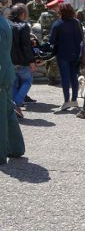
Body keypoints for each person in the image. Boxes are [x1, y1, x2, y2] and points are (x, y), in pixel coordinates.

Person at [0, 9, 25, 165]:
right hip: (5, 73)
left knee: (2, 114)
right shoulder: (3, 22)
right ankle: (16, 148)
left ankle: (1, 154)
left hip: (2, 75)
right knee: (7, 110)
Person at [49, 3, 83, 111]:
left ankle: (66, 101)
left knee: (65, 78)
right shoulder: (77, 23)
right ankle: (74, 100)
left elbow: (52, 40)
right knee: (74, 76)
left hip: (63, 53)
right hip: (76, 53)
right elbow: (81, 37)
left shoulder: (58, 24)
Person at [8, 4, 36, 118]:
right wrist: (32, 61)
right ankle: (17, 103)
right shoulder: (24, 26)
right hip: (22, 61)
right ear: (22, 14)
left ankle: (16, 108)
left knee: (14, 84)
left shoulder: (7, 25)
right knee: (27, 81)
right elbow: (25, 46)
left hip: (10, 60)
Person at [39, 0, 63, 85]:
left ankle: (49, 76)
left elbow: (39, 25)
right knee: (54, 59)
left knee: (47, 57)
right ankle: (52, 78)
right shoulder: (57, 16)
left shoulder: (42, 14)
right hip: (54, 39)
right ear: (55, 7)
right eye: (58, 6)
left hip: (45, 38)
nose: (59, 8)